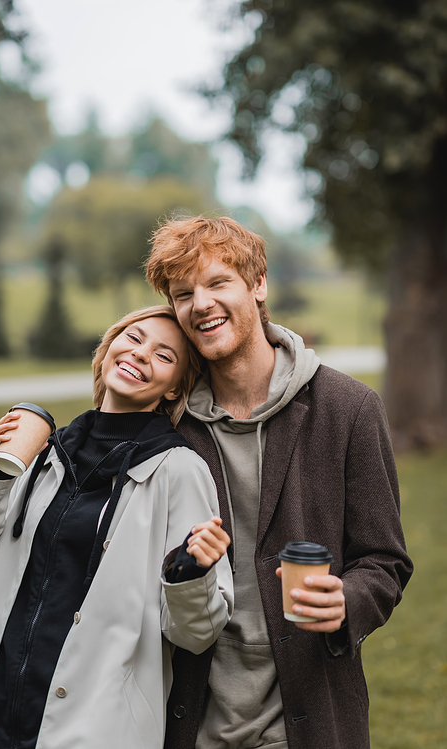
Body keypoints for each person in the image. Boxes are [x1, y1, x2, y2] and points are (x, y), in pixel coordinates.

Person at [145, 216, 414, 749]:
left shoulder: (349, 409)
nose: (200, 304)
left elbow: (385, 561)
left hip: (306, 719)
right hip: (189, 718)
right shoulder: (167, 423)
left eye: (218, 282)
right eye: (183, 293)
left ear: (258, 284)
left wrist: (347, 601)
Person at [0, 305, 233, 749]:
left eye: (163, 355)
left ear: (176, 388)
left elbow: (195, 634)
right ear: (107, 351)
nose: (140, 355)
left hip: (93, 726)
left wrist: (191, 572)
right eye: (134, 339)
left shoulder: (180, 472)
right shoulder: (44, 455)